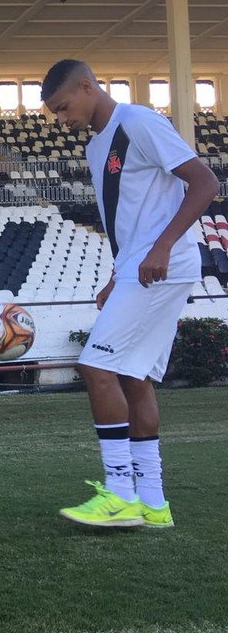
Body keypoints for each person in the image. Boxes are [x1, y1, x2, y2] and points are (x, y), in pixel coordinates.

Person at [41, 59, 219, 528]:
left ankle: (120, 494)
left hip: (164, 265)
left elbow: (205, 183)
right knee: (133, 377)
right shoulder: (97, 147)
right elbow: (130, 218)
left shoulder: (138, 121)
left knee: (95, 366)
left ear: (86, 86)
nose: (62, 120)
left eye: (63, 108)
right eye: (55, 115)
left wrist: (161, 247)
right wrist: (116, 275)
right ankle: (154, 504)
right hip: (137, 269)